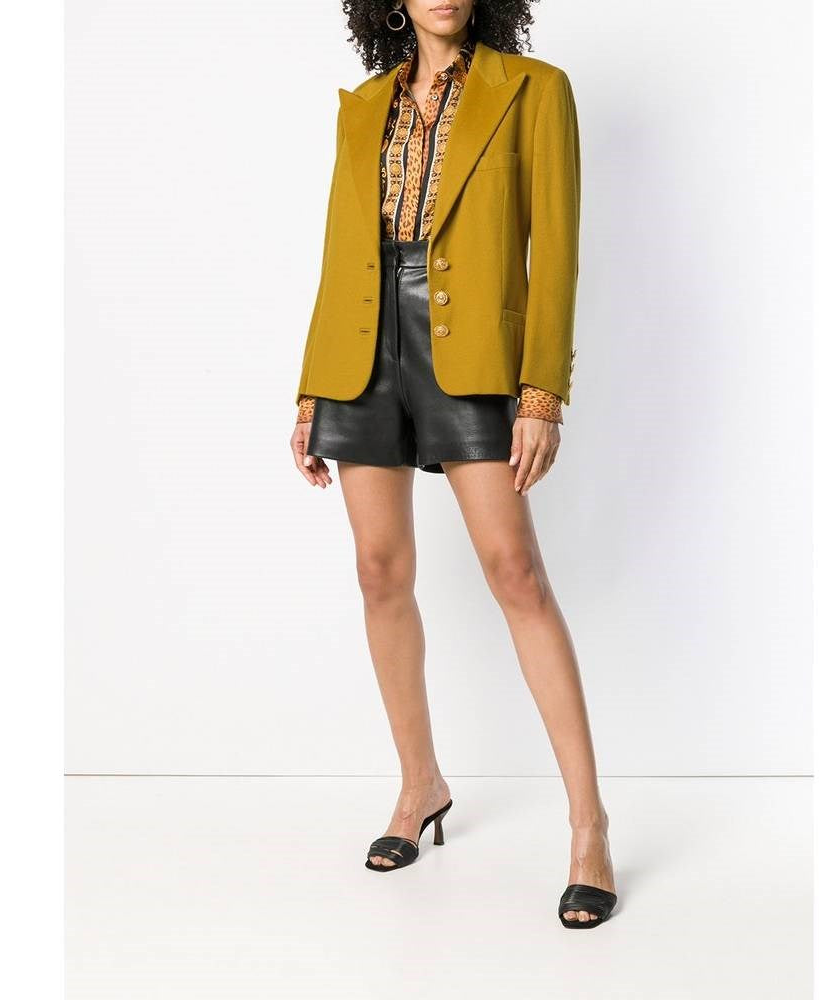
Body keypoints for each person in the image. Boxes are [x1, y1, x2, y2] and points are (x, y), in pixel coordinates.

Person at [290, 0, 616, 928]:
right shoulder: (365, 105)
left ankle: (588, 826)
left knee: (515, 571)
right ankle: (419, 784)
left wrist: (541, 391)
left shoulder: (534, 90)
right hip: (362, 348)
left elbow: (556, 246)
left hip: (470, 346)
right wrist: (313, 386)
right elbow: (339, 247)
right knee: (378, 568)